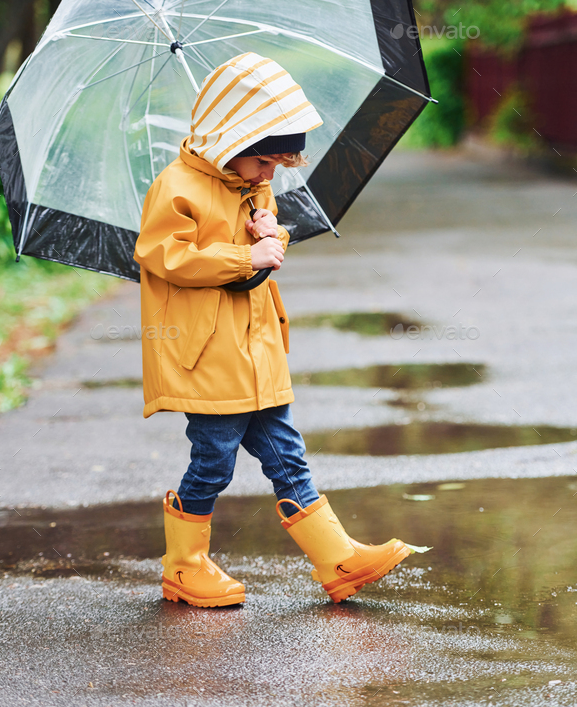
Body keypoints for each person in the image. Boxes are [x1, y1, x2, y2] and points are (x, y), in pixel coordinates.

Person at [133, 51, 412, 608]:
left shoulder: (251, 185)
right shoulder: (176, 187)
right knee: (213, 458)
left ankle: (336, 558)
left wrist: (272, 233)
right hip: (208, 353)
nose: (271, 175)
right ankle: (184, 566)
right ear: (230, 144)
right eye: (265, 163)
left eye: (279, 166)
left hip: (257, 347)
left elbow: (262, 253)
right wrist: (247, 252)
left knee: (287, 452)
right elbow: (165, 257)